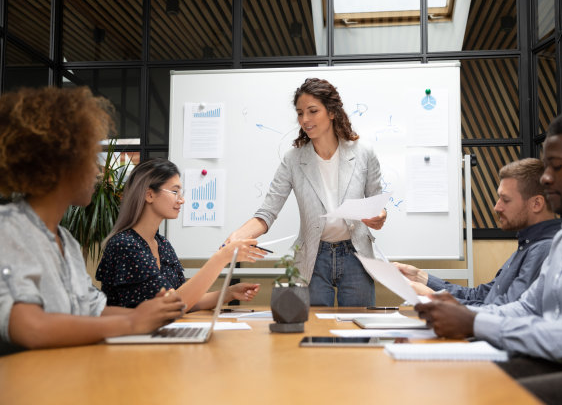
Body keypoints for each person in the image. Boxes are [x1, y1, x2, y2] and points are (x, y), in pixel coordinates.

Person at [414, 106, 562, 401]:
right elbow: (527, 308)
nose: (545, 179)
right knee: (445, 376)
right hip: (559, 362)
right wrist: (462, 314)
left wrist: (474, 322)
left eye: (556, 166)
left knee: (488, 393)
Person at [0, 86, 185, 354]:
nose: (98, 172)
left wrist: (149, 315)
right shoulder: (9, 229)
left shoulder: (66, 242)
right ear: (61, 164)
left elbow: (92, 310)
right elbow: (31, 328)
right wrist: (132, 321)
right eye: (89, 159)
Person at [225, 78, 387, 307]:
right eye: (300, 113)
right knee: (313, 333)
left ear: (331, 112)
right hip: (313, 256)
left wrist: (379, 216)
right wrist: (239, 235)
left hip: (356, 254)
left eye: (313, 111)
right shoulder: (293, 159)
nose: (305, 120)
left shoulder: (363, 153)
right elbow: (268, 211)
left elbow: (376, 204)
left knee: (359, 333)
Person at [96, 158, 264, 311]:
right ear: (149, 194)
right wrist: (221, 258)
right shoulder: (125, 245)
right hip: (130, 342)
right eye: (175, 192)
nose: (182, 200)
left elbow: (186, 299)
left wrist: (229, 293)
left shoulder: (162, 244)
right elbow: (176, 304)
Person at [394, 158, 561, 306]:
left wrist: (431, 297)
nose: (497, 207)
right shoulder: (527, 246)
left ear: (536, 204)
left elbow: (499, 313)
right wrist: (421, 278)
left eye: (506, 199)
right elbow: (481, 296)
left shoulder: (544, 250)